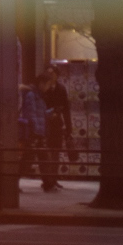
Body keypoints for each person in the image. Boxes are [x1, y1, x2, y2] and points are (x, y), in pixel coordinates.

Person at [40, 63, 72, 192]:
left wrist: (69, 128)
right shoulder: (43, 89)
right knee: (46, 153)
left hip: (57, 124)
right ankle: (47, 180)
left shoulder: (61, 89)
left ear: (57, 76)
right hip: (45, 124)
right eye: (49, 73)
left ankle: (53, 178)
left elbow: (66, 109)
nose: (51, 76)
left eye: (53, 74)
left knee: (56, 153)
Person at [18, 74, 50, 192]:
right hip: (34, 132)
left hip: (39, 132)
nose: (48, 87)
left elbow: (40, 113)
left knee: (43, 158)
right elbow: (31, 113)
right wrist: (36, 129)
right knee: (28, 158)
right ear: (41, 83)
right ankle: (13, 181)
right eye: (47, 84)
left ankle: (48, 183)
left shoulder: (39, 96)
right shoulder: (32, 95)